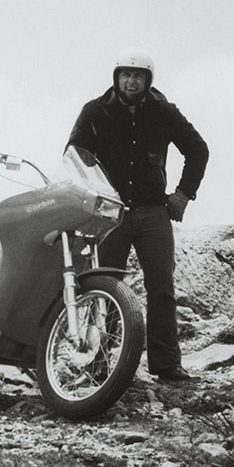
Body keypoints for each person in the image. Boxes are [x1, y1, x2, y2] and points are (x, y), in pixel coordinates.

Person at [68, 47, 209, 382]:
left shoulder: (163, 111)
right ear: (116, 78)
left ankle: (166, 365)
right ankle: (97, 365)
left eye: (139, 76)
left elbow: (198, 150)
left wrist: (183, 195)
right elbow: (75, 157)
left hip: (152, 213)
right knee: (104, 287)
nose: (131, 81)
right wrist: (90, 199)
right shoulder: (95, 111)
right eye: (126, 75)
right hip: (109, 214)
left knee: (161, 288)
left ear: (148, 80)